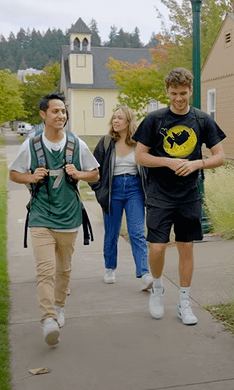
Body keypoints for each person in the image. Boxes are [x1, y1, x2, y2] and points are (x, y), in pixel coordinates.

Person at [133, 68, 226, 326]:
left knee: (186, 247)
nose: (178, 98)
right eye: (173, 93)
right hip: (160, 194)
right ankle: (158, 287)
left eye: (183, 93)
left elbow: (220, 156)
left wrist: (196, 164)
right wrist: (167, 162)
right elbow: (139, 156)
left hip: (188, 195)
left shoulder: (202, 120)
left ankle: (184, 301)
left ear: (191, 91)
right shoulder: (154, 120)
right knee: (157, 247)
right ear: (167, 92)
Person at [9, 92, 99, 346]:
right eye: (55, 111)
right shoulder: (32, 144)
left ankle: (59, 306)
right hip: (40, 216)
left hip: (69, 217)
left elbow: (95, 174)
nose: (61, 116)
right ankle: (48, 319)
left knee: (64, 269)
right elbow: (14, 173)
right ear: (43, 115)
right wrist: (31, 178)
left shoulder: (76, 144)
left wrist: (78, 173)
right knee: (45, 271)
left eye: (63, 111)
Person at [89, 106, 151, 289]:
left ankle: (144, 272)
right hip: (112, 190)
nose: (115, 121)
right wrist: (99, 190)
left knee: (137, 232)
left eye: (120, 118)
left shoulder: (139, 143)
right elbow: (92, 168)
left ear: (128, 122)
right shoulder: (106, 142)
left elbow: (148, 168)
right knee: (112, 233)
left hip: (134, 190)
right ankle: (109, 268)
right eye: (114, 118)